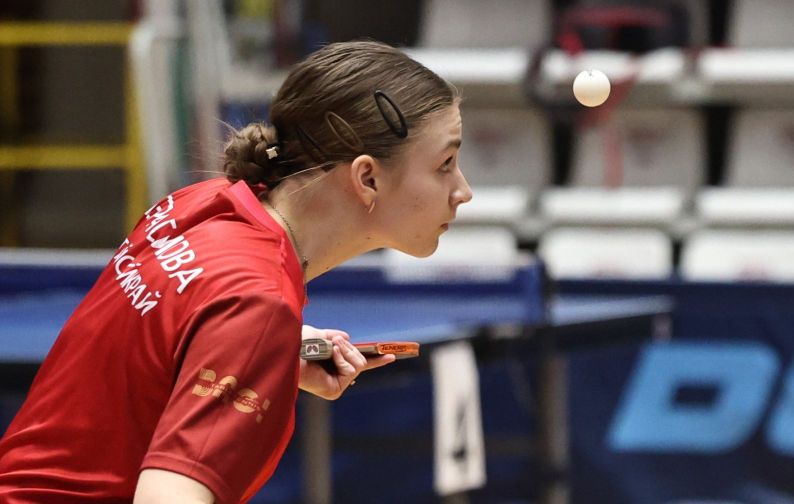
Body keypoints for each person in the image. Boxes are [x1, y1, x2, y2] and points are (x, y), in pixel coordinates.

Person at [0, 39, 472, 503]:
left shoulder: (201, 203)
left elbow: (160, 341)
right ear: (367, 178)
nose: (463, 191)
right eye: (445, 164)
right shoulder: (257, 304)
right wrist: (255, 340)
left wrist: (266, 353)